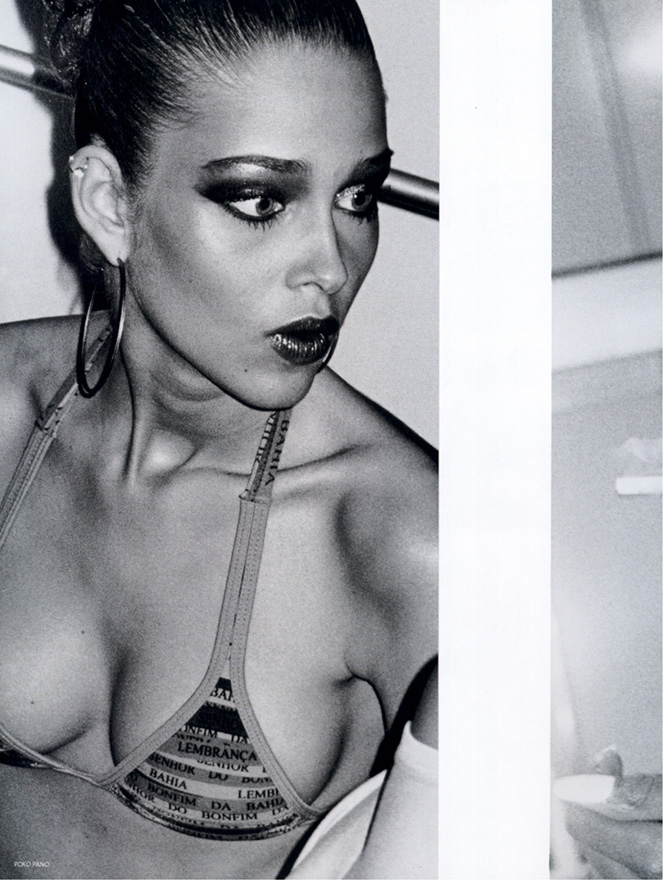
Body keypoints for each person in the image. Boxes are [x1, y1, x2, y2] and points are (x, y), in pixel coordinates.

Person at [0, 0, 437, 878]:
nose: (331, 265)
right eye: (261, 200)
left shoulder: (402, 537)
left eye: (357, 196)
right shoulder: (7, 418)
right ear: (109, 203)